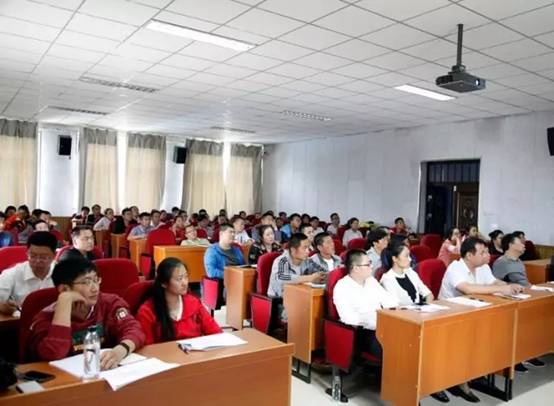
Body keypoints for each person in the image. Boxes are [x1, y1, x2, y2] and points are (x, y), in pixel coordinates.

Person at [26, 257, 144, 364]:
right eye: (86, 282)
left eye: (96, 280)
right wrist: (64, 301)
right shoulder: (45, 318)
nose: (95, 288)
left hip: (103, 371)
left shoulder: (109, 303)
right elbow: (54, 353)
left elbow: (134, 330)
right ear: (64, 289)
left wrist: (120, 351)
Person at [136, 258, 222, 344]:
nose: (185, 283)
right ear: (164, 283)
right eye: (179, 279)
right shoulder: (147, 312)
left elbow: (216, 332)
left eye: (186, 277)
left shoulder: (194, 303)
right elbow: (147, 347)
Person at [333, 249, 398, 360]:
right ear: (356, 268)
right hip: (363, 332)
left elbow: (388, 301)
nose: (371, 267)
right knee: (393, 349)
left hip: (383, 325)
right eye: (368, 264)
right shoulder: (342, 287)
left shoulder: (371, 281)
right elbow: (347, 318)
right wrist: (372, 321)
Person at [439, 238, 523, 300]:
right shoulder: (455, 267)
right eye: (482, 253)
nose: (486, 255)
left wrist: (510, 286)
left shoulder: (483, 266)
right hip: (449, 310)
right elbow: (468, 289)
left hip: (472, 305)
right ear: (469, 255)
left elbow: (493, 282)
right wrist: (502, 289)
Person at [267, 233, 326, 320]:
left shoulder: (307, 260)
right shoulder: (282, 261)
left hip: (299, 296)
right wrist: (310, 278)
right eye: (304, 248)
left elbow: (322, 270)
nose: (308, 251)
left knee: (319, 309)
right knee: (306, 313)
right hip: (279, 301)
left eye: (308, 247)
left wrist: (322, 276)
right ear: (293, 250)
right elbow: (281, 278)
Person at [0, 232, 57, 315]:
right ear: (27, 253)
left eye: (43, 257)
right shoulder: (12, 273)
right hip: (20, 320)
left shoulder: (62, 273)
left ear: (54, 255)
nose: (37, 261)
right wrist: (4, 307)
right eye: (33, 256)